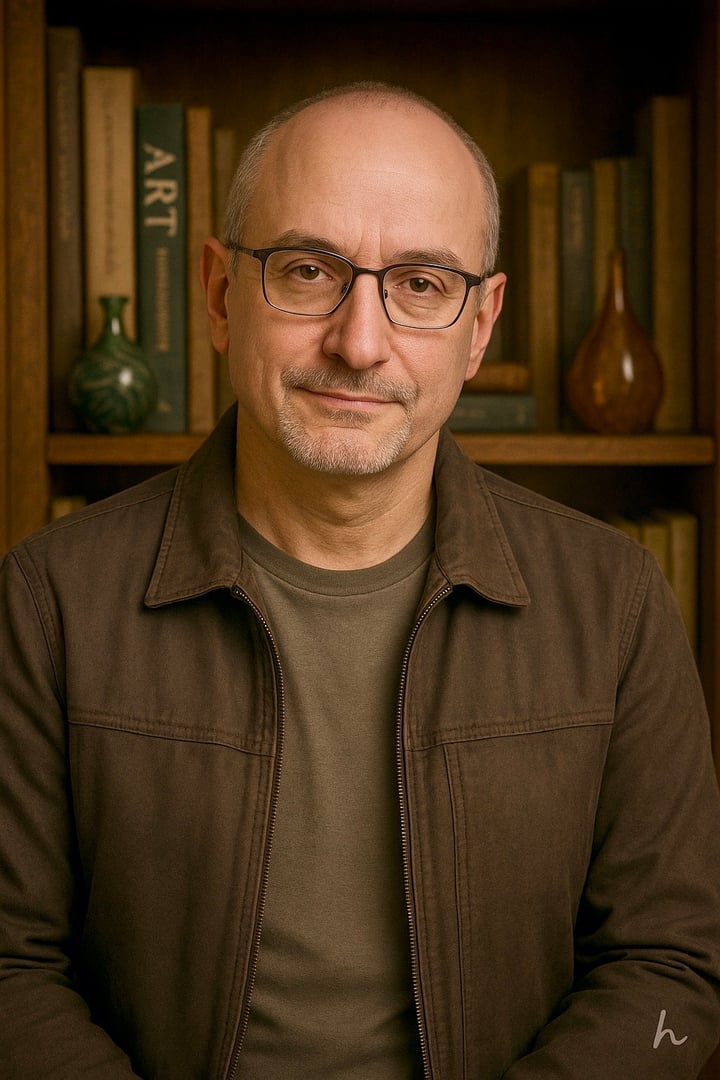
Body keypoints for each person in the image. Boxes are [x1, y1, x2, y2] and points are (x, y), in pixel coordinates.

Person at [1, 81, 719, 1080]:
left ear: (480, 326)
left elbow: (670, 969)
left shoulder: (620, 604)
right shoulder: (46, 602)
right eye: (306, 270)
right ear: (217, 296)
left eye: (422, 285)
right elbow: (8, 971)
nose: (360, 341)